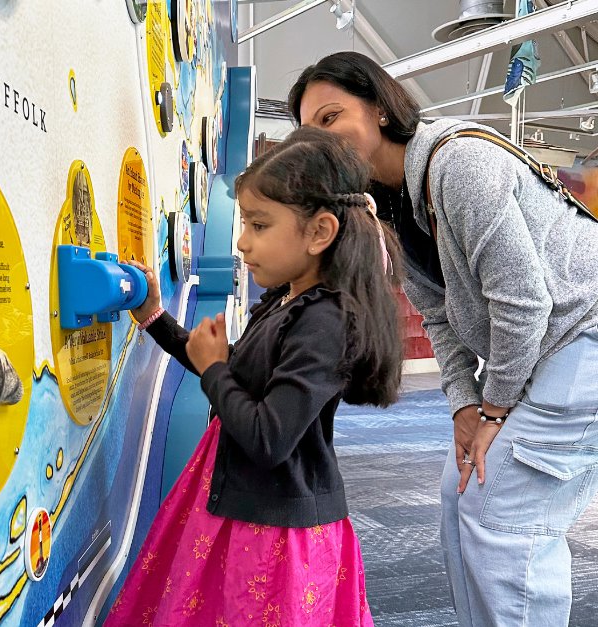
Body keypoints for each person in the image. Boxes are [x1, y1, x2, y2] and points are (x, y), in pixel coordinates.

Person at [288, 50, 598, 626]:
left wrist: (495, 410)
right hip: (548, 346)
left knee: (506, 511)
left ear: (380, 109)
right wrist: (463, 405)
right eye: (309, 131)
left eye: (331, 118)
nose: (321, 139)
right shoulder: (388, 204)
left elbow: (522, 301)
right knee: (462, 491)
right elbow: (437, 313)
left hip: (585, 333)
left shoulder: (460, 163)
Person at [104, 126, 404, 626]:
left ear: (319, 232)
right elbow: (221, 370)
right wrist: (157, 319)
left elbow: (268, 437)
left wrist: (215, 368)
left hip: (274, 534)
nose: (242, 242)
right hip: (242, 507)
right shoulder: (288, 300)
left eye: (259, 225)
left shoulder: (325, 321)